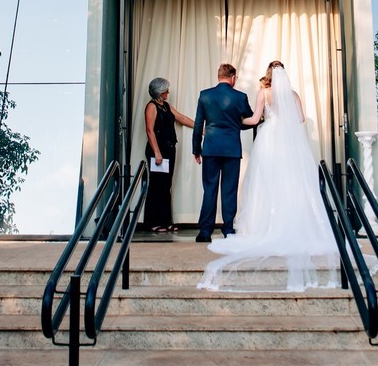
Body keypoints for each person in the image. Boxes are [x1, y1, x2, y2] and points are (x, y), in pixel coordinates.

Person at [198, 61, 340, 292]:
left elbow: (254, 120)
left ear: (268, 74)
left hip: (269, 140)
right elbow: (301, 119)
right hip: (289, 142)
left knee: (266, 184)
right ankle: (293, 225)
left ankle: (264, 227)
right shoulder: (293, 94)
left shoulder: (264, 92)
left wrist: (229, 122)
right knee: (292, 184)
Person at [191, 63, 253, 243]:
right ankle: (228, 229)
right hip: (232, 149)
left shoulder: (205, 95)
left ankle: (205, 231)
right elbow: (248, 120)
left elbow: (198, 124)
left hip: (210, 148)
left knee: (209, 189)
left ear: (219, 76)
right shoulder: (240, 97)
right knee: (229, 190)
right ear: (233, 78)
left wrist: (196, 149)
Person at [143, 76, 193, 233]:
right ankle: (152, 222)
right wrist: (157, 153)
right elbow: (150, 130)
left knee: (166, 186)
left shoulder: (165, 106)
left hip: (169, 149)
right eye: (166, 90)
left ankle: (165, 221)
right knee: (156, 185)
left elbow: (181, 118)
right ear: (159, 91)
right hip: (158, 151)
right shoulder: (151, 107)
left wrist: (201, 128)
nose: (168, 92)